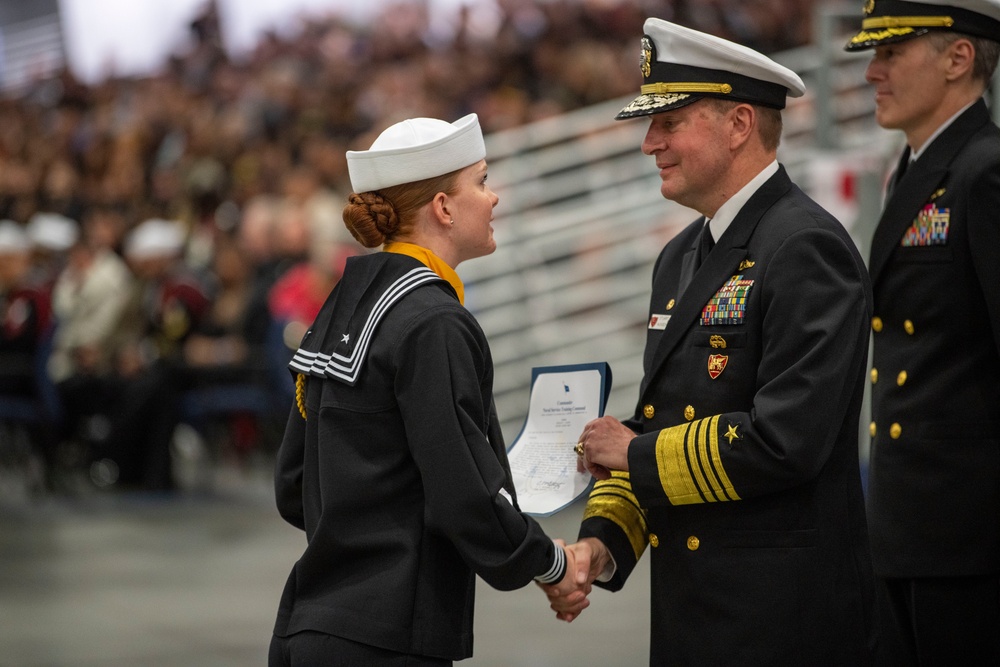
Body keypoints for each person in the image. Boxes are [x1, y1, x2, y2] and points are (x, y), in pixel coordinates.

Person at [542, 18, 878, 665]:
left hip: (784, 623)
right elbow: (657, 424)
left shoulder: (806, 245)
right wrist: (599, 543)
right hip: (692, 617)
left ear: (739, 124)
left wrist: (635, 451)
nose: (649, 143)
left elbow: (786, 441)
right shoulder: (680, 256)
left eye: (669, 121)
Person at [269, 113, 577, 666]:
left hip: (309, 624)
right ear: (443, 207)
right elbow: (463, 493)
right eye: (481, 181)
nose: (494, 197)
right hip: (387, 635)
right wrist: (549, 563)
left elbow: (294, 485)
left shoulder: (341, 304)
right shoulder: (434, 320)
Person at [844, 1, 1000, 663]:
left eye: (891, 53)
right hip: (913, 523)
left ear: (958, 60)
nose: (872, 72)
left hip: (970, 533)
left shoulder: (984, 172)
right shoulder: (919, 170)